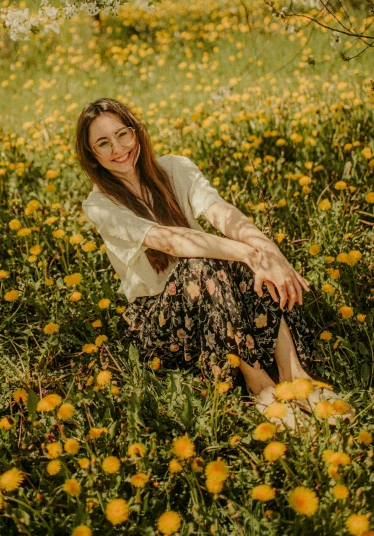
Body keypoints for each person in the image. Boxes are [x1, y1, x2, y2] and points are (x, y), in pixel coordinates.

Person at [76, 97, 354, 428]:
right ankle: (260, 385)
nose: (118, 148)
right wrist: (252, 254)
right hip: (159, 324)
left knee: (231, 251)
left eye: (123, 134)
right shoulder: (99, 205)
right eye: (103, 143)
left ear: (137, 132)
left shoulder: (175, 168)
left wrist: (267, 250)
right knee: (204, 262)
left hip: (213, 297)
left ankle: (294, 375)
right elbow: (171, 242)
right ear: (92, 156)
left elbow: (221, 212)